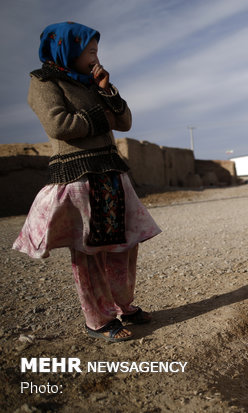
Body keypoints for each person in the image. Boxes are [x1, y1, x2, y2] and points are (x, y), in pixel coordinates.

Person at [12, 22, 161, 342]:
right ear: (68, 50)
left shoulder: (93, 83)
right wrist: (99, 116)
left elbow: (125, 121)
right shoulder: (43, 82)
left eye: (96, 51)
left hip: (111, 175)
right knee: (90, 251)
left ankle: (122, 306)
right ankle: (97, 318)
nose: (96, 57)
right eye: (90, 51)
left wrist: (107, 90)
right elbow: (58, 125)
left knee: (124, 246)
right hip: (79, 179)